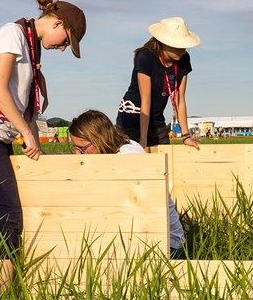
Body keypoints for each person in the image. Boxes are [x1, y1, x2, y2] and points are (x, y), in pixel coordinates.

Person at [0, 0, 86, 290]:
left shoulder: (31, 48)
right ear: (57, 24)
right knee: (8, 218)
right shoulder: (11, 33)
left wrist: (34, 133)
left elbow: (23, 104)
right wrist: (26, 133)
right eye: (67, 41)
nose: (64, 48)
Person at [69, 110, 186, 259]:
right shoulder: (122, 148)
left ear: (98, 140)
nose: (77, 155)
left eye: (81, 149)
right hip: (154, 241)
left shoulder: (127, 158)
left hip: (167, 245)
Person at [116, 17, 201, 151]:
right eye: (178, 46)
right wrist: (143, 140)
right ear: (163, 43)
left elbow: (180, 100)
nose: (183, 50)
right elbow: (146, 100)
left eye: (184, 45)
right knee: (135, 163)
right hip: (133, 117)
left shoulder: (184, 59)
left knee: (163, 162)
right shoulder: (145, 57)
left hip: (156, 120)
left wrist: (186, 136)